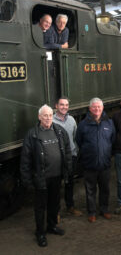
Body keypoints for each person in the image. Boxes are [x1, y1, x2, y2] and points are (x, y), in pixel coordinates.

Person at [20, 105, 72, 247]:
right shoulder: (32, 134)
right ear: (39, 117)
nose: (48, 118)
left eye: (50, 115)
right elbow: (25, 160)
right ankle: (40, 233)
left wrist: (67, 170)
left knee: (54, 204)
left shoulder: (59, 131)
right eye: (45, 115)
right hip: (41, 179)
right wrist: (27, 181)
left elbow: (67, 151)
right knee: (40, 207)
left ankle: (51, 226)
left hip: (57, 177)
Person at [75, 98, 115, 223]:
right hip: (89, 164)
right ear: (90, 108)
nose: (97, 109)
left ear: (102, 108)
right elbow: (79, 141)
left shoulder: (109, 123)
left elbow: (112, 141)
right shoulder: (83, 124)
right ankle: (91, 212)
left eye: (99, 107)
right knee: (90, 190)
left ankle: (104, 209)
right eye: (94, 107)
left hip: (104, 164)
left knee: (105, 189)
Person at [53, 97, 82, 218]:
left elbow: (75, 137)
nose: (64, 107)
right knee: (56, 186)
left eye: (66, 105)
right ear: (56, 106)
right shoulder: (51, 121)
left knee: (70, 183)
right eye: (61, 105)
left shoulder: (71, 119)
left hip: (71, 156)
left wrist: (75, 152)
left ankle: (70, 207)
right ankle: (56, 212)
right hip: (57, 159)